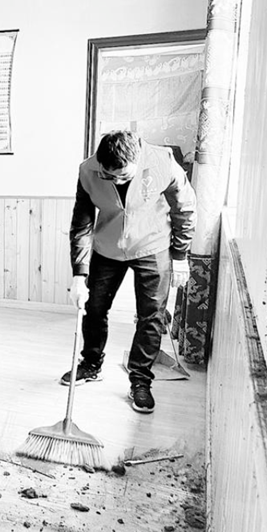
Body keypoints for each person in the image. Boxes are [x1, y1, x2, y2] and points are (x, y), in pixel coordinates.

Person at [66, 130, 196, 414]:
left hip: (153, 245)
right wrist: (79, 275)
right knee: (93, 308)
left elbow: (184, 207)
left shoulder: (162, 162)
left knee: (151, 316)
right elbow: (82, 224)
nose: (116, 181)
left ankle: (140, 380)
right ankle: (91, 364)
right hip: (107, 247)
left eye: (123, 176)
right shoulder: (88, 170)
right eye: (108, 176)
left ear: (138, 160)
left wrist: (180, 255)